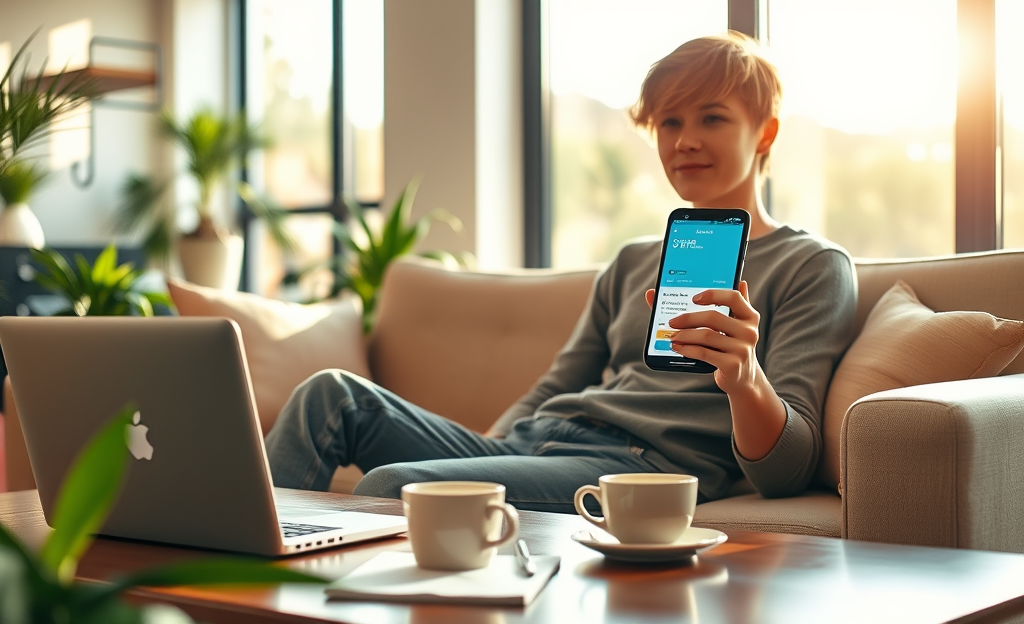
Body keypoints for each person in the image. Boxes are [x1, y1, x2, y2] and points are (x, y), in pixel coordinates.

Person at [265, 31, 857, 512]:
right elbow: (556, 385)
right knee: (331, 395)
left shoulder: (813, 267)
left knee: (396, 488)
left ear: (766, 132)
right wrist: (487, 455)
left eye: (712, 118)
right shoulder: (631, 261)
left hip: (640, 464)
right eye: (669, 123)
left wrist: (745, 379)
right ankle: (226, 566)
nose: (685, 142)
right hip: (543, 441)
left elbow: (787, 470)